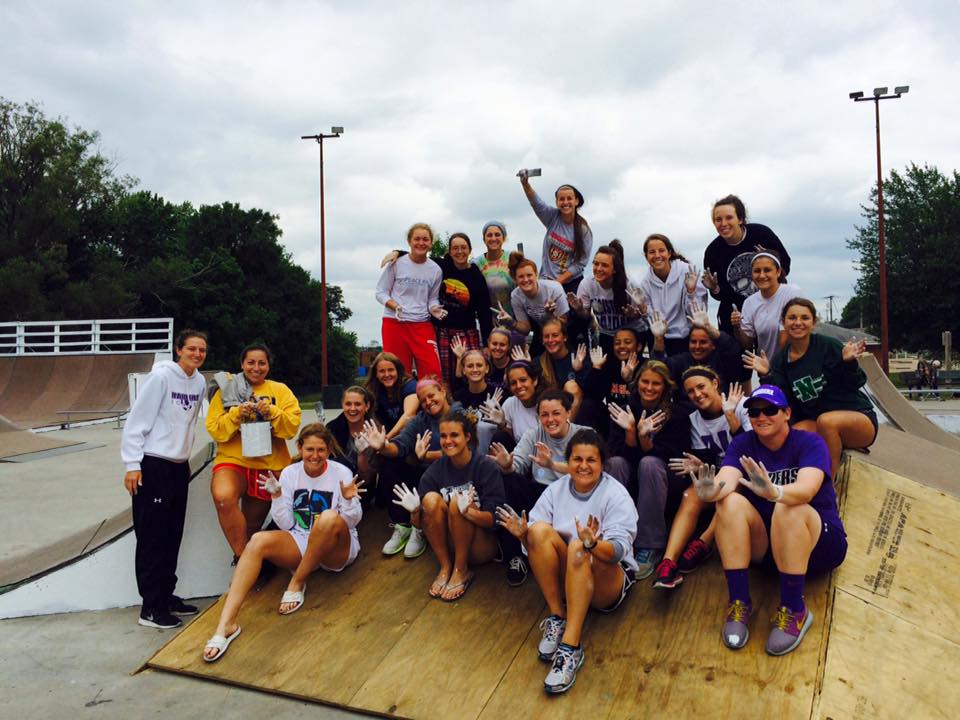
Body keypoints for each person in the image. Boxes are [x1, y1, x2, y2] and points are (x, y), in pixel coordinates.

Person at [687, 385, 846, 656]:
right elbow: (726, 479)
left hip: (818, 544)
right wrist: (712, 491)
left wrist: (776, 492)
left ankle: (795, 608)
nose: (761, 417)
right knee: (727, 503)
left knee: (788, 507)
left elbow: (806, 489)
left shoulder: (809, 442)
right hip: (771, 547)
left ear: (787, 413)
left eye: (770, 410)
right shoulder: (744, 443)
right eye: (755, 411)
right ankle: (739, 603)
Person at [202, 423, 363, 662]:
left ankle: (297, 581)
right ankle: (225, 626)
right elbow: (287, 524)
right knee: (256, 540)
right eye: (310, 449)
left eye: (321, 450)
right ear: (300, 448)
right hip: (301, 542)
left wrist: (349, 501)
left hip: (334, 550)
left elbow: (350, 522)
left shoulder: (341, 472)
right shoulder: (290, 473)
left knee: (328, 518)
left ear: (329, 450)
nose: (315, 456)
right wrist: (277, 498)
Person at [497, 429, 638, 694]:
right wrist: (523, 537)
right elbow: (538, 544)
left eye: (591, 460)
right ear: (568, 461)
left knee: (577, 546)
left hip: (607, 582)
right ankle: (557, 615)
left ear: (602, 464)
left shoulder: (614, 494)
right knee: (536, 531)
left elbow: (619, 551)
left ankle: (571, 646)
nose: (583, 466)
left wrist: (592, 544)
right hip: (571, 577)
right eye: (577, 459)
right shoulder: (556, 489)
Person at [121, 329, 208, 629]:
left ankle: (166, 595)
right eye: (191, 349)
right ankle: (150, 607)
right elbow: (137, 421)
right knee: (152, 537)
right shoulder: (159, 378)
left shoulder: (199, 382)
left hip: (177, 466)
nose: (197, 354)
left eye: (202, 350)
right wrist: (133, 464)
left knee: (172, 534)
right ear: (178, 349)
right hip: (153, 464)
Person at [743, 298, 877, 477]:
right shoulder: (780, 360)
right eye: (792, 318)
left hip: (857, 419)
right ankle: (786, 480)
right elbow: (783, 403)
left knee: (827, 421)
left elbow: (856, 383)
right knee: (791, 434)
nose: (798, 322)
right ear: (783, 322)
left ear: (813, 323)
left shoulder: (829, 346)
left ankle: (828, 484)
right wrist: (767, 374)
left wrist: (848, 363)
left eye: (804, 318)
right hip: (817, 422)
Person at [652, 367, 750, 590]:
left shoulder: (741, 406)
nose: (696, 394)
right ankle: (668, 562)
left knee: (731, 491)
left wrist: (731, 416)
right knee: (692, 494)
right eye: (690, 391)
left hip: (746, 478)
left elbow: (751, 451)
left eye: (701, 387)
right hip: (719, 476)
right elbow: (709, 460)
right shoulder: (694, 420)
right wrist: (700, 466)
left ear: (715, 383)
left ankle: (703, 543)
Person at [207, 343, 302, 560]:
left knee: (251, 527)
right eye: (250, 362)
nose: (256, 368)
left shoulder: (280, 390)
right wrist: (236, 414)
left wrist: (272, 412)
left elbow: (291, 429)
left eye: (262, 363)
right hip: (233, 461)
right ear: (242, 364)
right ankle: (243, 560)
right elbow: (216, 430)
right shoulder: (227, 389)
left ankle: (249, 566)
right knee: (223, 497)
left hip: (268, 464)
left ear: (268, 365)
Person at [406, 409, 505, 601]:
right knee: (430, 499)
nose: (448, 441)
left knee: (455, 504)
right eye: (443, 436)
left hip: (481, 546)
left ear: (467, 437)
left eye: (454, 435)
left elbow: (496, 519)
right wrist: (416, 511)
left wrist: (468, 512)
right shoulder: (435, 470)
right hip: (449, 542)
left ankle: (462, 570)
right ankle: (445, 566)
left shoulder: (485, 467)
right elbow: (420, 525)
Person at [606, 359, 692, 579]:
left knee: (650, 463)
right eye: (645, 381)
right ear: (637, 382)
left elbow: (669, 456)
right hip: (634, 477)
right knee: (615, 463)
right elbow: (618, 451)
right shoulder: (625, 408)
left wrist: (645, 438)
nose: (649, 388)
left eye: (656, 383)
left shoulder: (677, 414)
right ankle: (615, 534)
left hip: (663, 480)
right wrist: (631, 432)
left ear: (665, 387)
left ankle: (650, 544)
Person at [361, 377, 461, 558]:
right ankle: (403, 525)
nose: (428, 402)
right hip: (425, 475)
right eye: (423, 401)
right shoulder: (420, 420)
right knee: (389, 461)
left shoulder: (460, 413)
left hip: (453, 478)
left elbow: (465, 450)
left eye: (431, 396)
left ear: (443, 392)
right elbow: (400, 445)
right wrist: (383, 446)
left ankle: (420, 525)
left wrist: (427, 456)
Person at [702, 195, 792, 335]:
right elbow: (721, 295)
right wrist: (714, 288)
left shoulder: (761, 234)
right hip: (735, 314)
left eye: (729, 217)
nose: (723, 223)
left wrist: (772, 259)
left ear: (741, 219)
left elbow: (786, 265)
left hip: (771, 307)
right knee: (733, 353)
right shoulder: (713, 251)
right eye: (718, 219)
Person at [375, 222, 444, 378]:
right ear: (409, 241)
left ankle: (430, 401)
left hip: (421, 324)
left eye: (425, 239)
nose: (421, 243)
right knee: (397, 373)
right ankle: (399, 402)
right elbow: (380, 292)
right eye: (417, 239)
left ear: (431, 243)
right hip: (394, 323)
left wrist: (434, 308)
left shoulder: (435, 270)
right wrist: (395, 306)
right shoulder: (397, 263)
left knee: (433, 372)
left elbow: (432, 299)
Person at [570, 240, 649, 355]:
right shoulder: (587, 284)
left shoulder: (630, 285)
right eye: (596, 264)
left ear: (615, 269)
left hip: (632, 334)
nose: (598, 268)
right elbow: (585, 315)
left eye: (604, 265)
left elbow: (644, 314)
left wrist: (634, 314)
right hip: (607, 334)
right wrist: (579, 309)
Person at [519, 170, 593, 292]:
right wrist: (525, 184)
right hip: (546, 280)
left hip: (571, 284)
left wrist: (558, 282)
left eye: (569, 198)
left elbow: (580, 263)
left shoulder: (584, 230)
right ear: (557, 202)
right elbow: (536, 203)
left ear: (576, 201)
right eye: (561, 199)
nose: (565, 202)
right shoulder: (552, 217)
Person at [434, 232, 493, 385]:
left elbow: (484, 311)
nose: (459, 252)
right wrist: (398, 253)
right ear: (450, 251)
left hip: (467, 331)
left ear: (469, 250)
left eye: (463, 248)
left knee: (471, 374)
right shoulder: (441, 266)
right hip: (443, 331)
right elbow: (418, 257)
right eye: (455, 248)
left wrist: (486, 343)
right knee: (445, 377)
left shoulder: (475, 275)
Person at [639, 234, 709, 356]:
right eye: (652, 252)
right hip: (659, 338)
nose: (657, 256)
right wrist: (644, 312)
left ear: (669, 253)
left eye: (661, 251)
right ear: (646, 256)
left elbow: (696, 313)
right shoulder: (645, 282)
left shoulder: (687, 271)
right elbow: (650, 318)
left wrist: (691, 292)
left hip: (684, 338)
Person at [732, 251, 803, 360]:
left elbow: (788, 337)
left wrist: (777, 370)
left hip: (794, 366)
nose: (762, 275)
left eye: (767, 270)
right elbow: (747, 344)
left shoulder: (792, 293)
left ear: (778, 272)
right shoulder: (750, 302)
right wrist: (737, 327)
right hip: (767, 370)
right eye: (757, 271)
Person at [571, 327, 642, 434]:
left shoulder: (645, 366)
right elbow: (592, 396)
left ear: (639, 346)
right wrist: (596, 368)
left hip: (637, 419)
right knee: (588, 405)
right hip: (612, 418)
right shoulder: (609, 364)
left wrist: (629, 381)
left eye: (627, 342)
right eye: (617, 343)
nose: (622, 346)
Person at [499, 252, 569, 357]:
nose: (526, 280)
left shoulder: (554, 289)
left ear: (536, 274)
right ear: (515, 279)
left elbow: (565, 322)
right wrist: (511, 322)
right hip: (540, 331)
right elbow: (526, 328)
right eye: (521, 277)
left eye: (529, 275)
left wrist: (550, 316)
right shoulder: (516, 296)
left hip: (562, 331)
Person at [326, 385, 378, 505]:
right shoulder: (332, 428)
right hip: (334, 485)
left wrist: (362, 454)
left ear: (367, 406)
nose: (352, 408)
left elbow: (368, 478)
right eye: (348, 404)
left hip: (360, 487)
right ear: (342, 405)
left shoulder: (374, 431)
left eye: (358, 404)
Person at [480, 360, 543, 445]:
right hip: (522, 453)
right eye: (513, 383)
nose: (519, 386)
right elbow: (512, 438)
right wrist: (502, 424)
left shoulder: (546, 403)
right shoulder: (510, 403)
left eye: (523, 380)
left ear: (534, 380)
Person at [364, 351, 419, 440]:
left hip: (411, 436)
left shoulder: (410, 386)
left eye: (391, 370)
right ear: (376, 374)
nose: (387, 375)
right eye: (382, 371)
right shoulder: (373, 389)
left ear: (398, 371)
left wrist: (386, 438)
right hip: (385, 436)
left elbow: (409, 415)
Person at [537, 318, 583, 418]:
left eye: (555, 335)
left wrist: (578, 371)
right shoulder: (538, 362)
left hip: (575, 414)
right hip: (547, 411)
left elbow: (590, 392)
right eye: (546, 336)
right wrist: (523, 364)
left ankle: (565, 429)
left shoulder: (578, 357)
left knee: (571, 386)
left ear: (564, 337)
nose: (550, 340)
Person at [474, 221, 515, 320]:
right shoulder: (476, 264)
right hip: (487, 319)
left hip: (514, 317)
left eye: (497, 235)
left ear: (503, 238)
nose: (493, 238)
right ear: (484, 239)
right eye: (489, 235)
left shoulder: (513, 259)